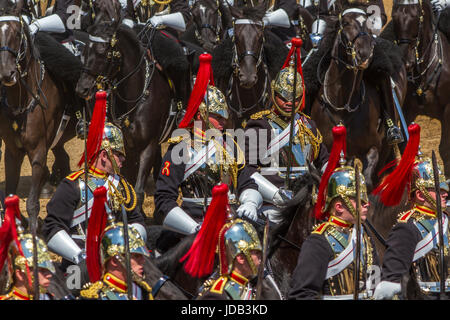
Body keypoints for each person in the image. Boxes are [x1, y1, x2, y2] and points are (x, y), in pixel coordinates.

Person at [154, 53, 262, 253]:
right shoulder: (181, 147)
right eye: (216, 117)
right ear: (201, 114)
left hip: (230, 221)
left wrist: (250, 202)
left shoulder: (229, 144)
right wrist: (193, 228)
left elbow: (247, 180)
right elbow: (164, 198)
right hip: (195, 221)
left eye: (224, 117)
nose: (222, 122)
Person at [42, 91, 147, 291]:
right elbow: (52, 228)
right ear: (103, 154)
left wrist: (130, 246)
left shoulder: (122, 186)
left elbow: (137, 219)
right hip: (79, 263)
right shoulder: (72, 185)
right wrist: (81, 256)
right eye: (118, 155)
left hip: (118, 263)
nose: (123, 160)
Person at [288, 124, 379, 300]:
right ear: (339, 207)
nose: (366, 205)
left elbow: (374, 282)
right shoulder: (318, 242)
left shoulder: (364, 235)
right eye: (359, 200)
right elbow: (301, 294)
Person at [243, 37, 328, 224]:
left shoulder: (309, 125)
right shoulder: (260, 125)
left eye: (295, 99)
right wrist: (276, 194)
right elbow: (248, 170)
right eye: (284, 97)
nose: (290, 103)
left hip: (306, 202)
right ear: (274, 94)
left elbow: (323, 160)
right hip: (273, 203)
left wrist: (334, 172)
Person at [372, 123, 450, 300]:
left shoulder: (446, 220)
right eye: (437, 189)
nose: (445, 193)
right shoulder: (407, 228)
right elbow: (391, 277)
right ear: (421, 196)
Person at [177, 183, 263, 300]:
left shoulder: (246, 286)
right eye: (256, 253)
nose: (260, 258)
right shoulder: (217, 295)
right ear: (241, 258)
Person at [79, 187, 153, 300]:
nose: (143, 261)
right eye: (136, 256)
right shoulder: (95, 297)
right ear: (114, 260)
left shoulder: (142, 291)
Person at [0, 195, 58, 300]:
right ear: (20, 275)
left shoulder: (48, 297)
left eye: (47, 269)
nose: (49, 275)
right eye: (41, 270)